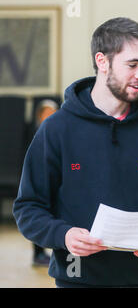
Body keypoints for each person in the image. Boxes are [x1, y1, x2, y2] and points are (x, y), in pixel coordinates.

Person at [13, 17, 138, 288]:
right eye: (133, 65)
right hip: (75, 279)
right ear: (102, 61)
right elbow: (28, 208)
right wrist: (64, 235)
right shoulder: (57, 129)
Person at [30, 99, 60, 267]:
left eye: (52, 113)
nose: (49, 116)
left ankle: (53, 253)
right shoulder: (34, 133)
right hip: (39, 182)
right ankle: (38, 253)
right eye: (46, 113)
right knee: (39, 215)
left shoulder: (60, 133)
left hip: (54, 181)